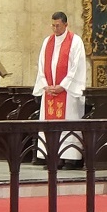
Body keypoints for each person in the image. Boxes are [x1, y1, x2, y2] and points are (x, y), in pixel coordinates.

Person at [33, 11, 87, 170]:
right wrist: (46, 85)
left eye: (58, 25)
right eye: (53, 25)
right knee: (50, 123)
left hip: (67, 92)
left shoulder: (75, 41)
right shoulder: (47, 42)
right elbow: (41, 65)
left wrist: (62, 86)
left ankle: (70, 158)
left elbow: (76, 67)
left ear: (66, 24)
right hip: (50, 90)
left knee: (68, 122)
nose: (55, 29)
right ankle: (54, 157)